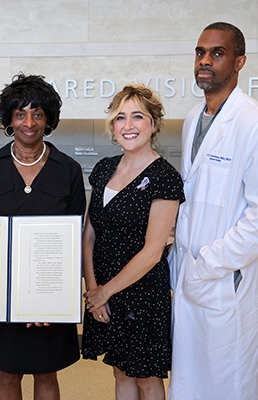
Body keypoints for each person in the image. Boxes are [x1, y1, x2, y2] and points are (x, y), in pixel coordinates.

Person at [168, 22, 258, 400]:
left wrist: (211, 261)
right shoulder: (193, 119)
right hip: (191, 277)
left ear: (239, 62)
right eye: (200, 52)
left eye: (217, 53)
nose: (205, 61)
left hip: (225, 280)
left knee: (227, 383)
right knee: (189, 381)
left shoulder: (256, 124)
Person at [0, 73, 86, 400]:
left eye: (38, 113)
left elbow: (73, 242)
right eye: (20, 114)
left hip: (49, 295)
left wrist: (55, 301)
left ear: (48, 119)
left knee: (47, 375)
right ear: (9, 119)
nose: (29, 122)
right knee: (7, 376)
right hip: (0, 297)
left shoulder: (68, 170)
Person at [81, 84, 184, 400]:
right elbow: (89, 235)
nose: (128, 126)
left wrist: (104, 292)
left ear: (153, 124)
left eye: (137, 116)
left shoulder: (164, 177)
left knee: (146, 378)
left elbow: (153, 252)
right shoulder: (104, 169)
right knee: (120, 372)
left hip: (142, 294)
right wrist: (93, 289)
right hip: (103, 292)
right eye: (120, 117)